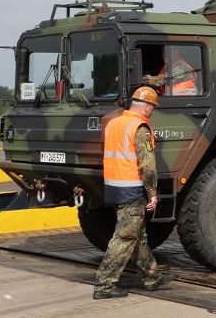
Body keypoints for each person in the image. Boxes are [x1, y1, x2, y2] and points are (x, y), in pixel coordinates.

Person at [93, 85, 174, 299]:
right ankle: (105, 285)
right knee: (124, 238)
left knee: (139, 236)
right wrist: (153, 193)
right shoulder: (139, 127)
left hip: (114, 186)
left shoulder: (114, 123)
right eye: (152, 107)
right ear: (146, 107)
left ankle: (152, 277)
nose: (152, 111)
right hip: (131, 188)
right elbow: (147, 165)